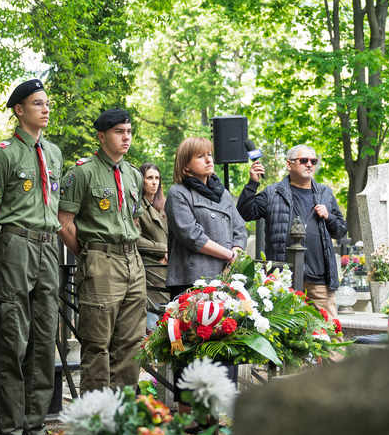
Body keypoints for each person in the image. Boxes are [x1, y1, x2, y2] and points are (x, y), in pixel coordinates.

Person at [0, 79, 62, 435]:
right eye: (37, 104)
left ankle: (35, 425)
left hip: (49, 247)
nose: (45, 109)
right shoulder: (3, 153)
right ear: (19, 110)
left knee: (45, 339)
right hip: (16, 244)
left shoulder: (56, 154)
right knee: (13, 338)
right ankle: (10, 432)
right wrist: (8, 250)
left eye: (46, 103)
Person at [58, 108, 146, 394]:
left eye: (129, 132)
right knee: (98, 345)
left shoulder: (133, 175)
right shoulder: (82, 172)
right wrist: (87, 254)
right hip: (100, 261)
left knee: (131, 342)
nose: (126, 138)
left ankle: (123, 415)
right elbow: (64, 221)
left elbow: (134, 219)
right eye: (119, 132)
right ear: (102, 136)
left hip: (132, 260)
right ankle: (96, 419)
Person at [237, 144, 348, 320]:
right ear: (289, 164)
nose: (309, 164)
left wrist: (329, 217)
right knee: (287, 337)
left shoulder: (325, 193)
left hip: (319, 281)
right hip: (283, 279)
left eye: (313, 161)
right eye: (303, 160)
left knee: (329, 336)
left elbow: (341, 231)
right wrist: (252, 183)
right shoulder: (273, 193)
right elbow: (244, 212)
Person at [165, 137, 247, 299]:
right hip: (192, 279)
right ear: (186, 165)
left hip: (226, 276)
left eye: (209, 154)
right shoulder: (178, 193)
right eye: (200, 156)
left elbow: (240, 231)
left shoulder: (223, 194)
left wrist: (233, 261)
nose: (209, 159)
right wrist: (229, 256)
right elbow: (192, 236)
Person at [136, 162, 169, 329]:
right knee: (152, 327)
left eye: (157, 178)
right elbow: (136, 239)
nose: (154, 182)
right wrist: (163, 249)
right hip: (149, 273)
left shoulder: (162, 206)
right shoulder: (138, 206)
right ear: (141, 180)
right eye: (149, 178)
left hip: (165, 274)